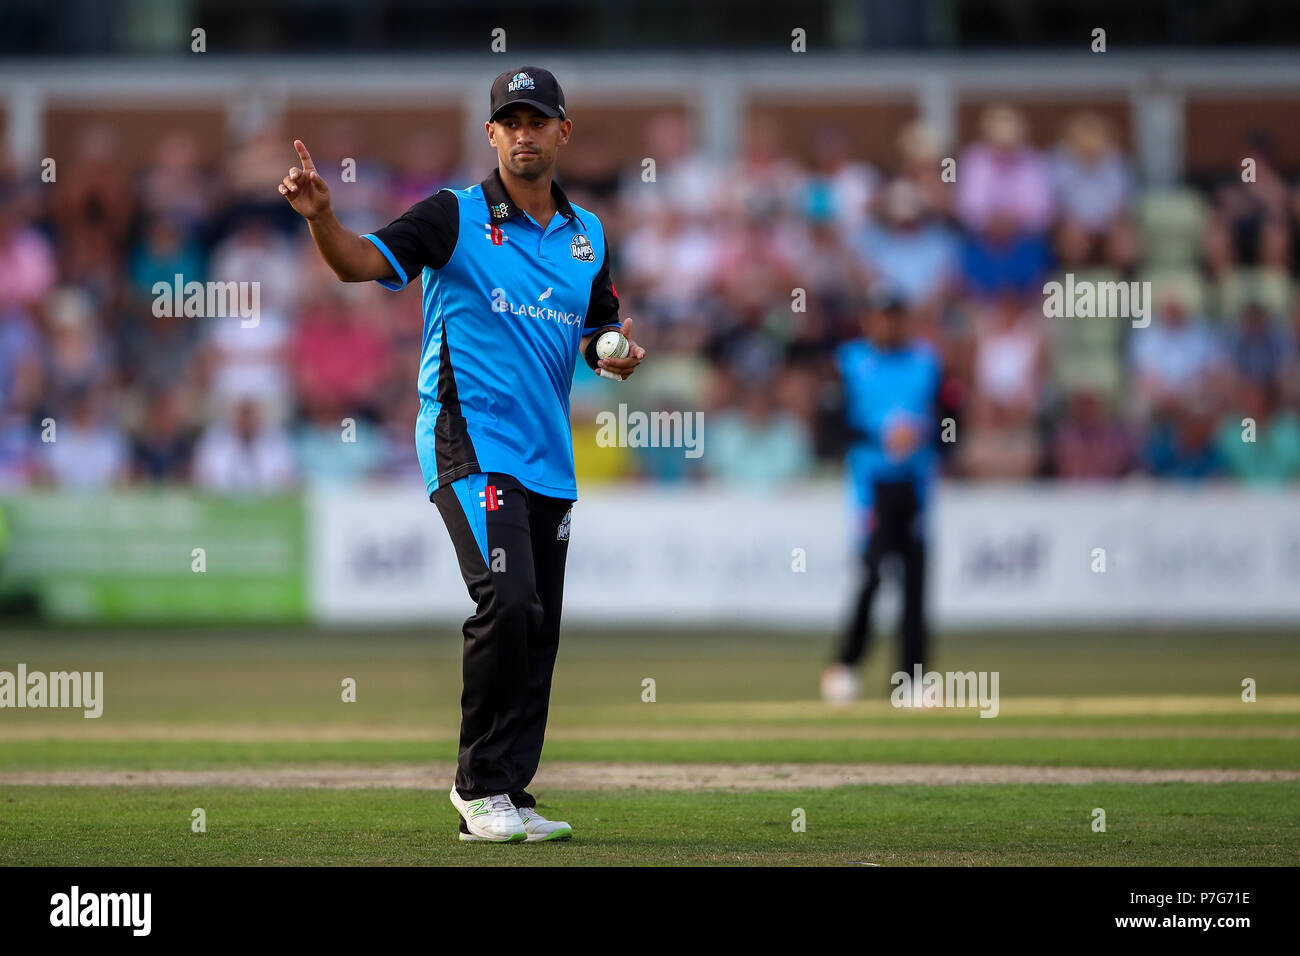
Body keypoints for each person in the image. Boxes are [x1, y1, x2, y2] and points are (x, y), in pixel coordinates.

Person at [279, 66, 644, 843]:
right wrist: (320, 221)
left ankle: (512, 790)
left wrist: (611, 351)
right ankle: (476, 788)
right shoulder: (455, 216)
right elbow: (360, 264)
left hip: (549, 458)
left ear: (561, 132)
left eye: (537, 120)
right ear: (490, 135)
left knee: (537, 627)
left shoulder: (589, 237)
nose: (523, 133)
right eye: (509, 121)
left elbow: (596, 331)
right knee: (507, 602)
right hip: (467, 440)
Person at [822, 288, 940, 704]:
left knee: (915, 583)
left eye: (894, 316)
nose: (887, 324)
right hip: (871, 487)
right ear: (869, 320)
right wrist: (880, 436)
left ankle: (912, 678)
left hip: (917, 485)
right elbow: (831, 426)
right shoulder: (850, 362)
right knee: (871, 576)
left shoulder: (927, 362)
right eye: (880, 316)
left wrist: (923, 434)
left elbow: (950, 419)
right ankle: (845, 665)